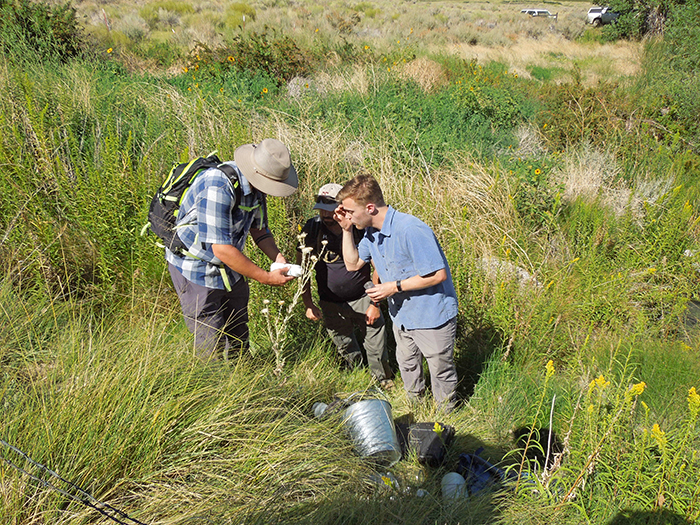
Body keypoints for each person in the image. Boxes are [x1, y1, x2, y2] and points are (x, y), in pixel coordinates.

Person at [334, 174, 459, 412]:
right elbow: (352, 264)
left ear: (370, 207)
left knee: (440, 371)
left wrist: (393, 287)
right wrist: (346, 230)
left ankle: (447, 420)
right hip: (402, 317)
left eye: (350, 212)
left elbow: (437, 275)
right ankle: (416, 411)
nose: (347, 216)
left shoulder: (410, 229)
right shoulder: (371, 233)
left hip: (431, 315)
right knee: (408, 367)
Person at [166, 138, 298, 360]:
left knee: (238, 331)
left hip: (230, 269)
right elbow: (222, 249)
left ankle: (241, 378)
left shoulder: (256, 187)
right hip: (197, 267)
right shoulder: (218, 185)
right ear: (258, 172)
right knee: (210, 338)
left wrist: (278, 257)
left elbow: (260, 231)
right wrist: (266, 277)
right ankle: (213, 387)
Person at [297, 183, 394, 389]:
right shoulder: (312, 230)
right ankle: (357, 379)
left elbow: (379, 266)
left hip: (363, 296)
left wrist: (375, 304)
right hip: (330, 302)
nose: (325, 212)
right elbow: (302, 269)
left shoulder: (360, 228)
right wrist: (308, 304)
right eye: (321, 206)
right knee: (344, 344)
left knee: (376, 345)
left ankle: (383, 381)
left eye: (330, 207)